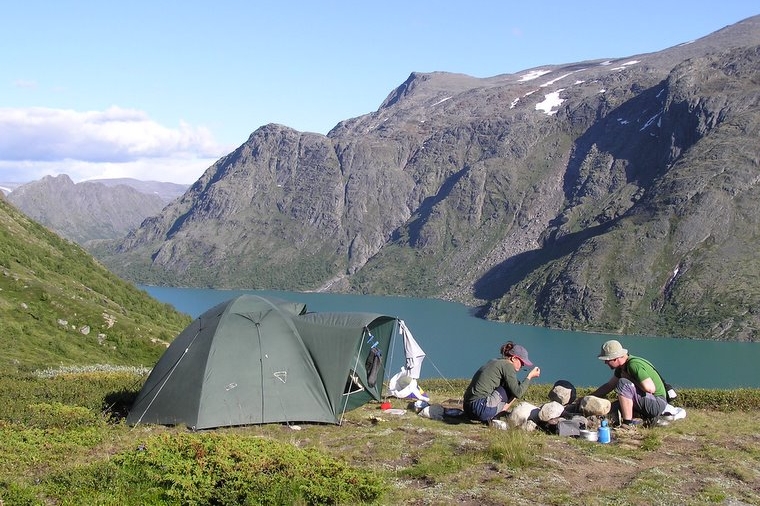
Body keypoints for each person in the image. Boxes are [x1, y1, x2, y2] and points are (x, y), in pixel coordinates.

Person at [590, 339, 667, 426]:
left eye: (607, 360)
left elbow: (650, 389)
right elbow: (609, 386)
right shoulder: (621, 368)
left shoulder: (633, 365)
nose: (605, 363)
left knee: (623, 383)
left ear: (616, 358)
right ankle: (644, 419)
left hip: (657, 403)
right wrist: (589, 397)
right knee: (609, 410)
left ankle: (628, 424)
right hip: (646, 401)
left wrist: (629, 379)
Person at [463, 341, 541, 423]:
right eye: (521, 362)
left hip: (468, 408)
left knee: (510, 385)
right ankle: (497, 416)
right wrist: (529, 376)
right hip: (480, 409)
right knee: (515, 387)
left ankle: (495, 415)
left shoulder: (495, 361)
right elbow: (518, 392)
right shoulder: (508, 365)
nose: (522, 365)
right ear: (514, 358)